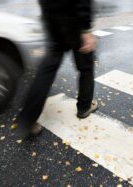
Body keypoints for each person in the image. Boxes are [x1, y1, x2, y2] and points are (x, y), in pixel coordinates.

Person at [15, 0, 98, 138]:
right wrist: (85, 28)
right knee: (86, 66)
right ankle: (84, 107)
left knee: (47, 69)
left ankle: (27, 119)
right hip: (73, 17)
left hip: (52, 16)